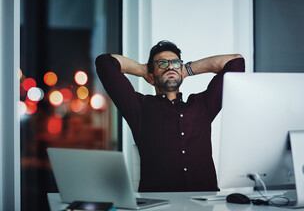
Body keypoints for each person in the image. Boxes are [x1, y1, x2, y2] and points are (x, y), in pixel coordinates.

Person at [95, 40, 245, 192]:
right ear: (151, 77)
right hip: (160, 204)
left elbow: (236, 62)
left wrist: (187, 69)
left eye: (175, 62)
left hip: (205, 202)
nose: (171, 66)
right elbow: (104, 63)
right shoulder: (139, 108)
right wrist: (143, 70)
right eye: (162, 63)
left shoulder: (203, 105)